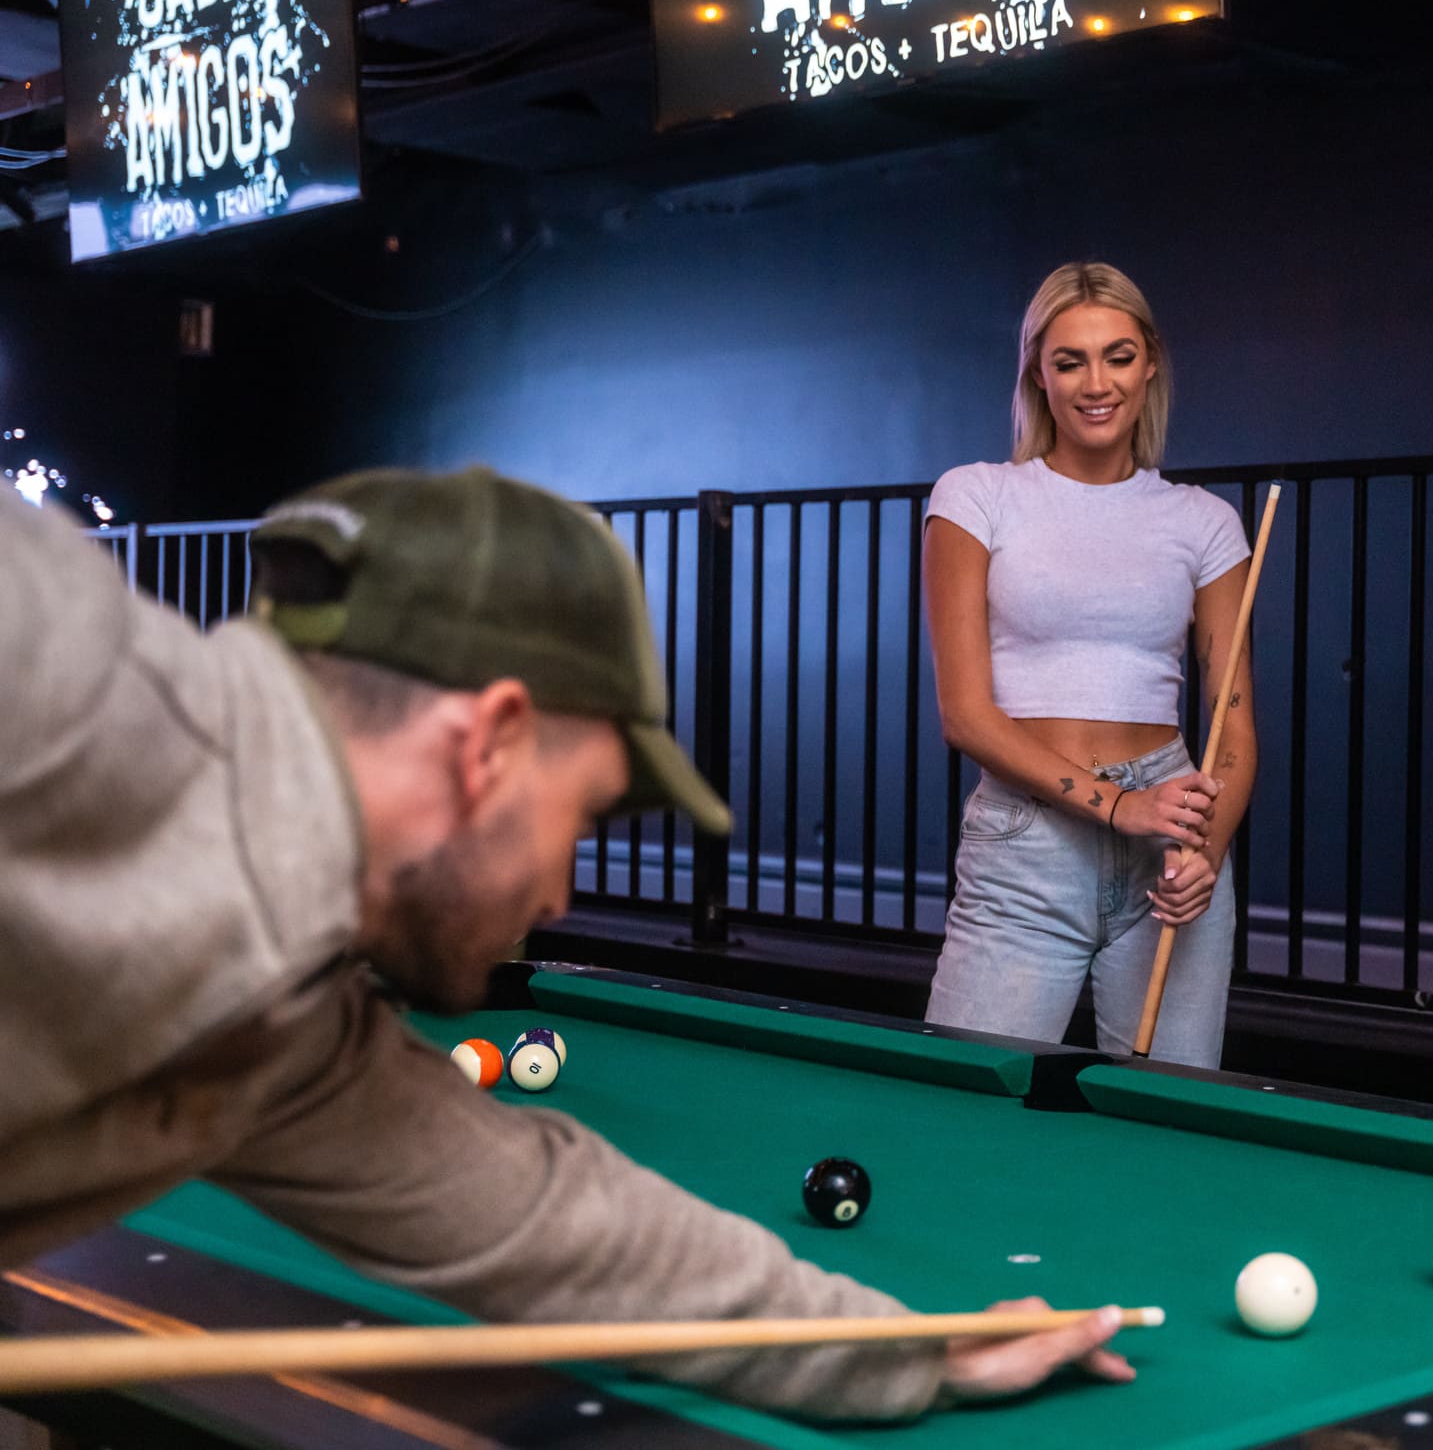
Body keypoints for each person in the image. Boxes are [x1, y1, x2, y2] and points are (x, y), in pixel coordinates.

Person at [0, 466, 1131, 1419]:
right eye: (581, 819)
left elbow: (575, 1236)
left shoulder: (280, 1045)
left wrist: (917, 1348)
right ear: (488, 743)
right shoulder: (55, 661)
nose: (559, 896)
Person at [923, 262, 1257, 1068]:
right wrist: (1119, 807)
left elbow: (1234, 730)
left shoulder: (1205, 523)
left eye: (1117, 355)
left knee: (1168, 1129)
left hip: (1170, 844)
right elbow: (965, 714)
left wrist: (1203, 857)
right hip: (1026, 847)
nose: (1094, 382)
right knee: (960, 1109)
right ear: (1039, 374)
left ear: (1149, 365)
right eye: (1069, 360)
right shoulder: (975, 497)